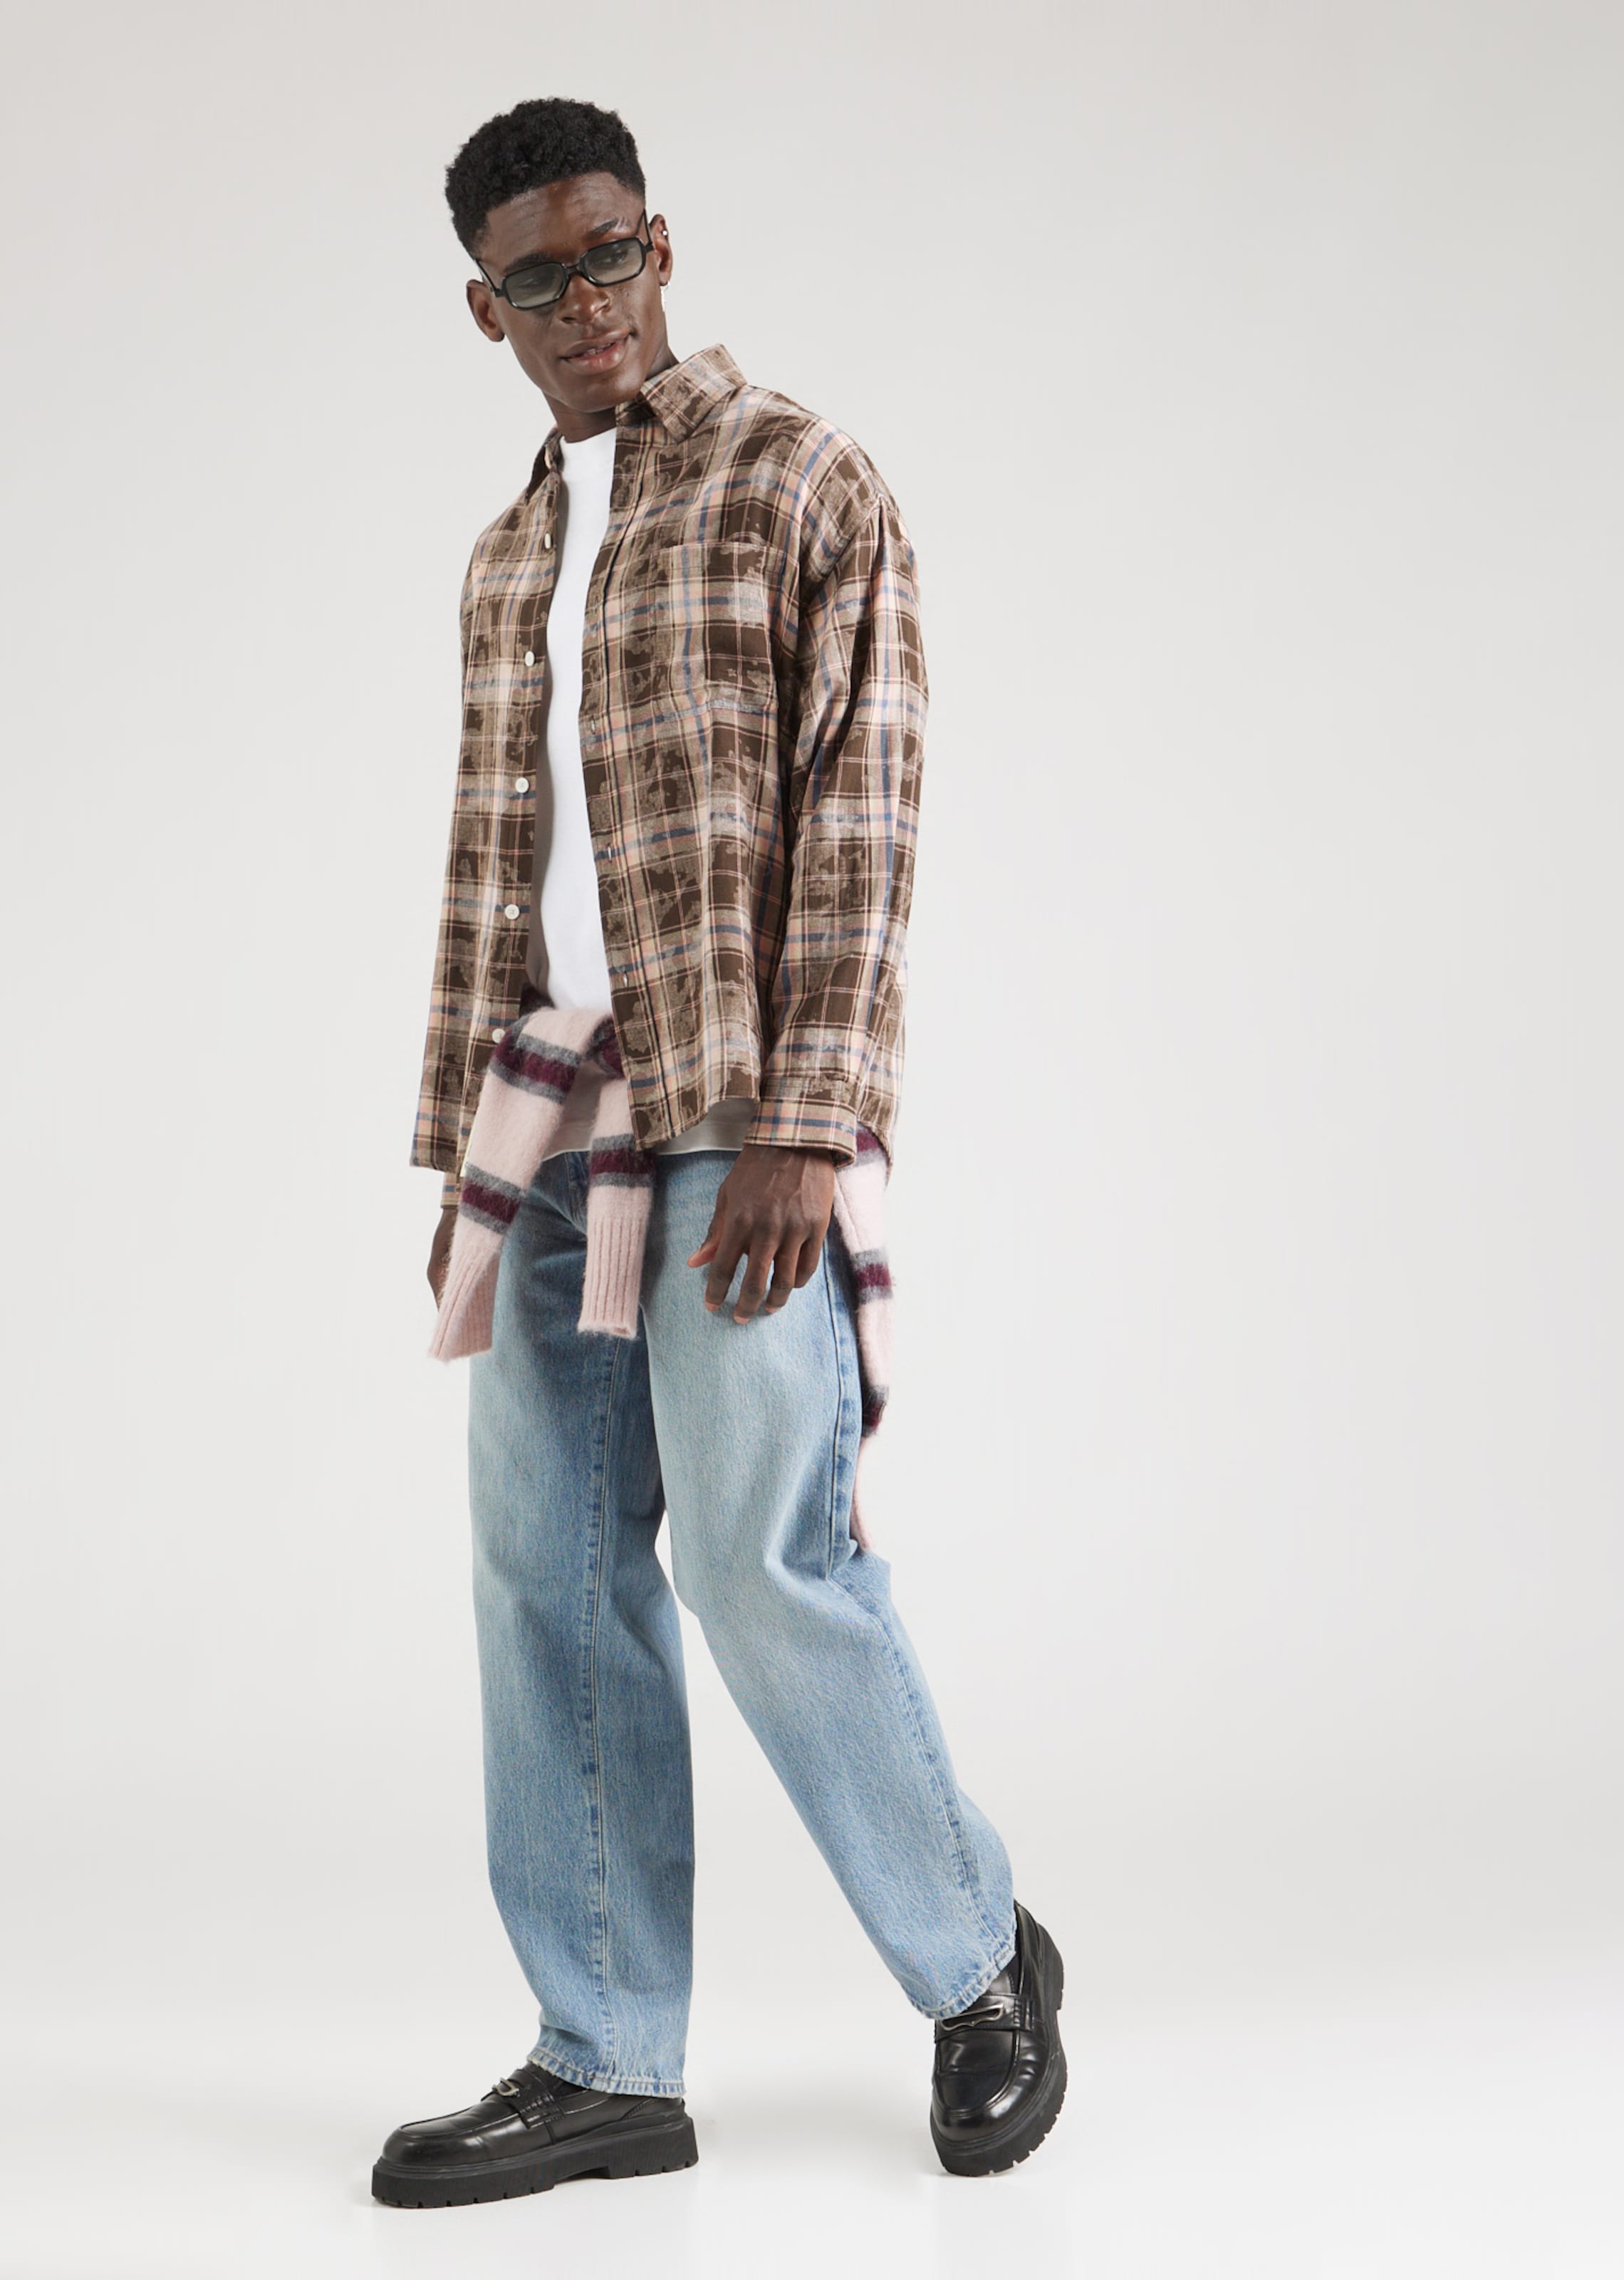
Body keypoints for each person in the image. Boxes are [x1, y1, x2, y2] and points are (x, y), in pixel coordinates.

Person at [371, 96, 1066, 2209]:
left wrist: (811, 1122)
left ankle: (981, 1963)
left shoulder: (798, 477)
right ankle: (606, 2057)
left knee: (767, 1564)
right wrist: (464, 1147)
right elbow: (505, 862)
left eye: (610, 254)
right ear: (484, 310)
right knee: (546, 1581)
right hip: (550, 1113)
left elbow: (865, 810)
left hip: (735, 1114)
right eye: (536, 278)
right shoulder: (510, 552)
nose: (584, 301)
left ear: (660, 246)